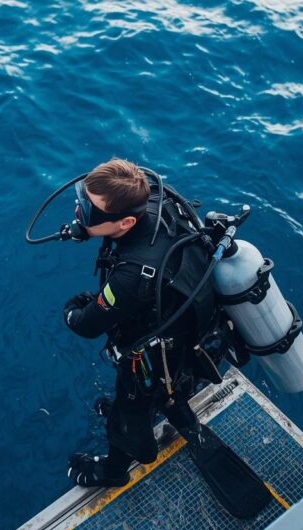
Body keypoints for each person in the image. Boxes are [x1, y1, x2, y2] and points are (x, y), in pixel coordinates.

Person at [61, 158, 219, 487]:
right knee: (167, 387)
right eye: (82, 202)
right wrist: (89, 228)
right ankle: (172, 408)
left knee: (128, 412)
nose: (79, 214)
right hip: (190, 326)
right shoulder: (159, 203)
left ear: (126, 221)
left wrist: (73, 307)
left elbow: (87, 325)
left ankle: (116, 468)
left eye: (89, 213)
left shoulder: (133, 276)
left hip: (156, 356)